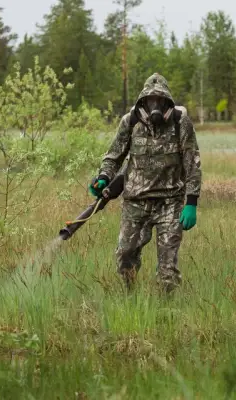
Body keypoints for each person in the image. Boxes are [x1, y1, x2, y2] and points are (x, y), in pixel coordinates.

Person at [89, 73, 202, 293]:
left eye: (160, 100)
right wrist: (103, 177)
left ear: (167, 101)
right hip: (135, 204)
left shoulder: (180, 122)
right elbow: (113, 156)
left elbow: (192, 163)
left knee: (167, 270)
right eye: (150, 100)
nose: (155, 105)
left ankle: (166, 313)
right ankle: (129, 298)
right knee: (125, 257)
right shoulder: (130, 122)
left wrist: (192, 202)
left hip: (170, 203)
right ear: (143, 102)